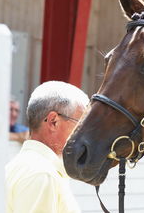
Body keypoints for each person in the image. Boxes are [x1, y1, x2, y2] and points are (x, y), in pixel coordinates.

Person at [5, 81, 89, 213]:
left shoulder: (24, 167)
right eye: (80, 124)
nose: (83, 132)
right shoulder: (42, 174)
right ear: (53, 122)